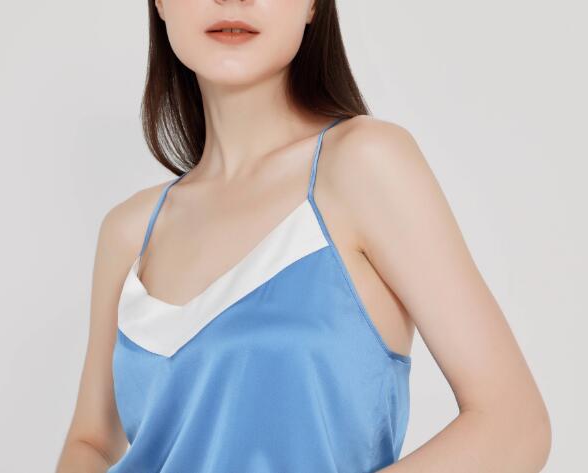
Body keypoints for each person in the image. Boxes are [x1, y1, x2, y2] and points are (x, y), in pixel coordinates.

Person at [56, 1, 551, 472]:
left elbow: (514, 426)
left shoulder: (363, 165)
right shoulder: (129, 232)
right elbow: (91, 440)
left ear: (314, 4)